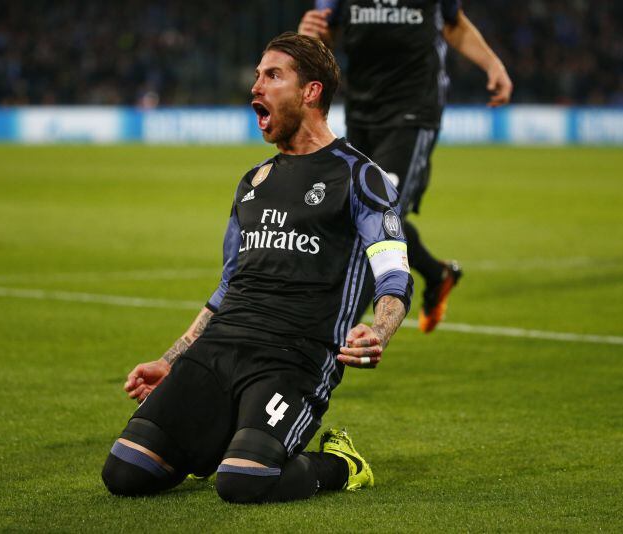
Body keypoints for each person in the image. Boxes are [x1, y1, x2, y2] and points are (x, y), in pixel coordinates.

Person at [101, 32, 413, 503]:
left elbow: (394, 272)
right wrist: (171, 360)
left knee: (244, 482)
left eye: (272, 76)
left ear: (311, 92)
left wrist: (380, 331)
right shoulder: (253, 181)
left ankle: (340, 464)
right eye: (256, 76)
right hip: (219, 351)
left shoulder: (358, 176)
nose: (256, 87)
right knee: (125, 473)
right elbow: (229, 286)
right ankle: (222, 438)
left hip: (292, 358)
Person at [299, 0, 513, 332]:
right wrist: (312, 35)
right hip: (361, 111)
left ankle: (332, 340)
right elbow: (326, 35)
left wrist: (493, 65)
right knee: (361, 212)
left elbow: (452, 24)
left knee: (375, 214)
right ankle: (435, 273)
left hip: (413, 111)